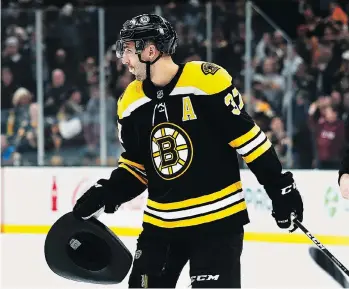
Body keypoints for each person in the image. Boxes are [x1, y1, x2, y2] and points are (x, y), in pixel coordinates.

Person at [72, 14, 304, 288]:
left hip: (217, 224)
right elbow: (137, 167)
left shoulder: (206, 81)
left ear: (150, 50)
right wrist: (106, 193)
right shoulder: (130, 103)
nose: (124, 59)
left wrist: (281, 189)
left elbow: (250, 141)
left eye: (129, 50)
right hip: (160, 228)